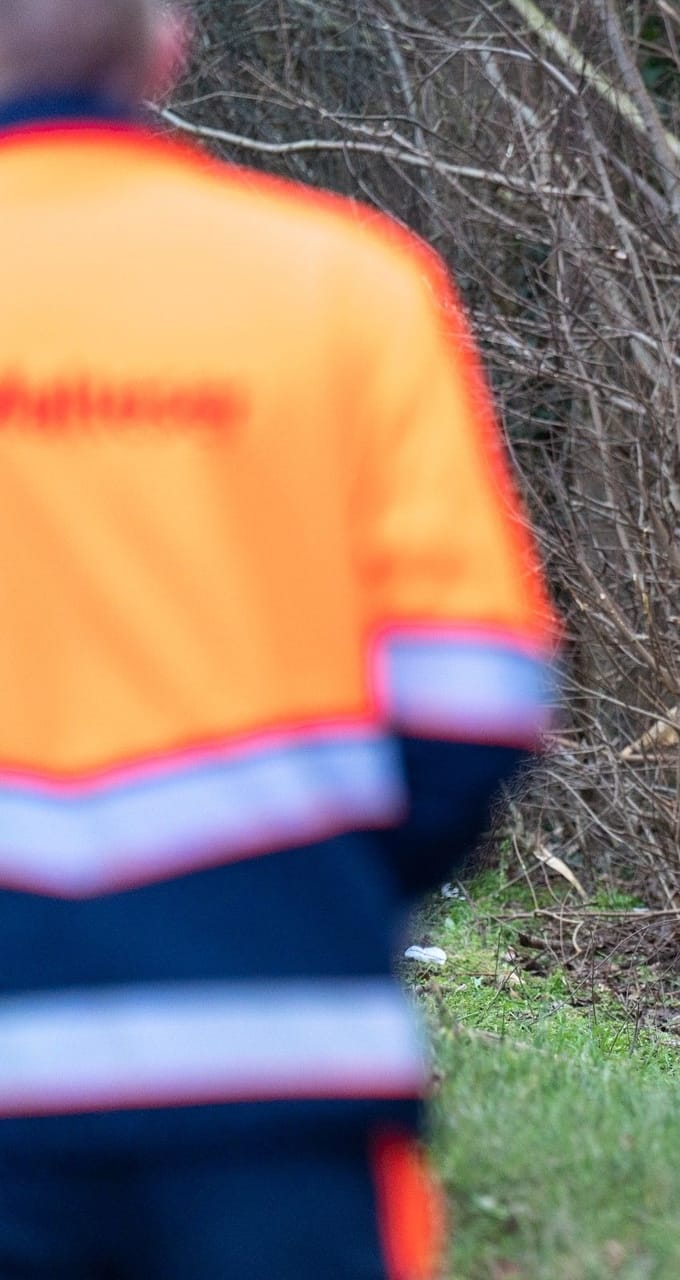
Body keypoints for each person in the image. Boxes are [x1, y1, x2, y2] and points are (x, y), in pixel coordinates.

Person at [0, 2, 556, 1275]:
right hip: (274, 1059)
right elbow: (472, 704)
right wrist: (299, 899)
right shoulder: (346, 283)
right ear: (165, 47)